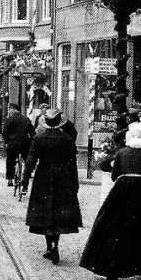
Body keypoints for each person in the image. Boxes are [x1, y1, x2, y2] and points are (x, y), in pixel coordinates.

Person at [80, 121, 141, 280]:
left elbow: (114, 175)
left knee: (116, 228)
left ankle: (112, 268)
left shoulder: (122, 152)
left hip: (122, 191)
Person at [21, 108, 83, 265]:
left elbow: (30, 161)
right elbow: (72, 163)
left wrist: (25, 180)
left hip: (43, 176)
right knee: (57, 212)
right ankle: (54, 246)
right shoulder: (67, 140)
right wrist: (74, 183)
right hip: (63, 177)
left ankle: (50, 246)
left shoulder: (39, 138)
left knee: (45, 212)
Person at [2, 103, 35, 186]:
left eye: (10, 109)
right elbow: (32, 132)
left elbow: (5, 132)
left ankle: (10, 179)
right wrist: (31, 142)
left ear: (14, 109)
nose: (9, 111)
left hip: (13, 144)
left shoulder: (10, 120)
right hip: (25, 144)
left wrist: (6, 142)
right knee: (27, 160)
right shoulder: (26, 119)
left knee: (10, 161)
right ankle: (26, 176)